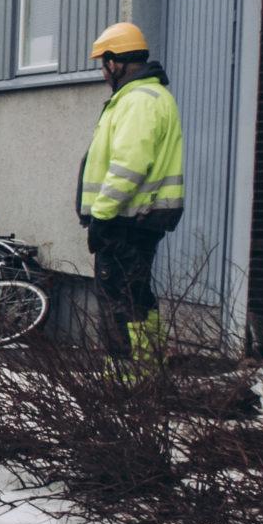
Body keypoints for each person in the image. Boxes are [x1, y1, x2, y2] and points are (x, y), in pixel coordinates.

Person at [79, 22, 185, 372]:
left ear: (115, 61)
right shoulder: (149, 96)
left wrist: (102, 216)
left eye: (102, 63)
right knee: (138, 297)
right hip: (141, 219)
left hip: (125, 220)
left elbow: (128, 165)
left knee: (118, 301)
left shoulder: (138, 101)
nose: (102, 71)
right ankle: (147, 368)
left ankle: (124, 381)